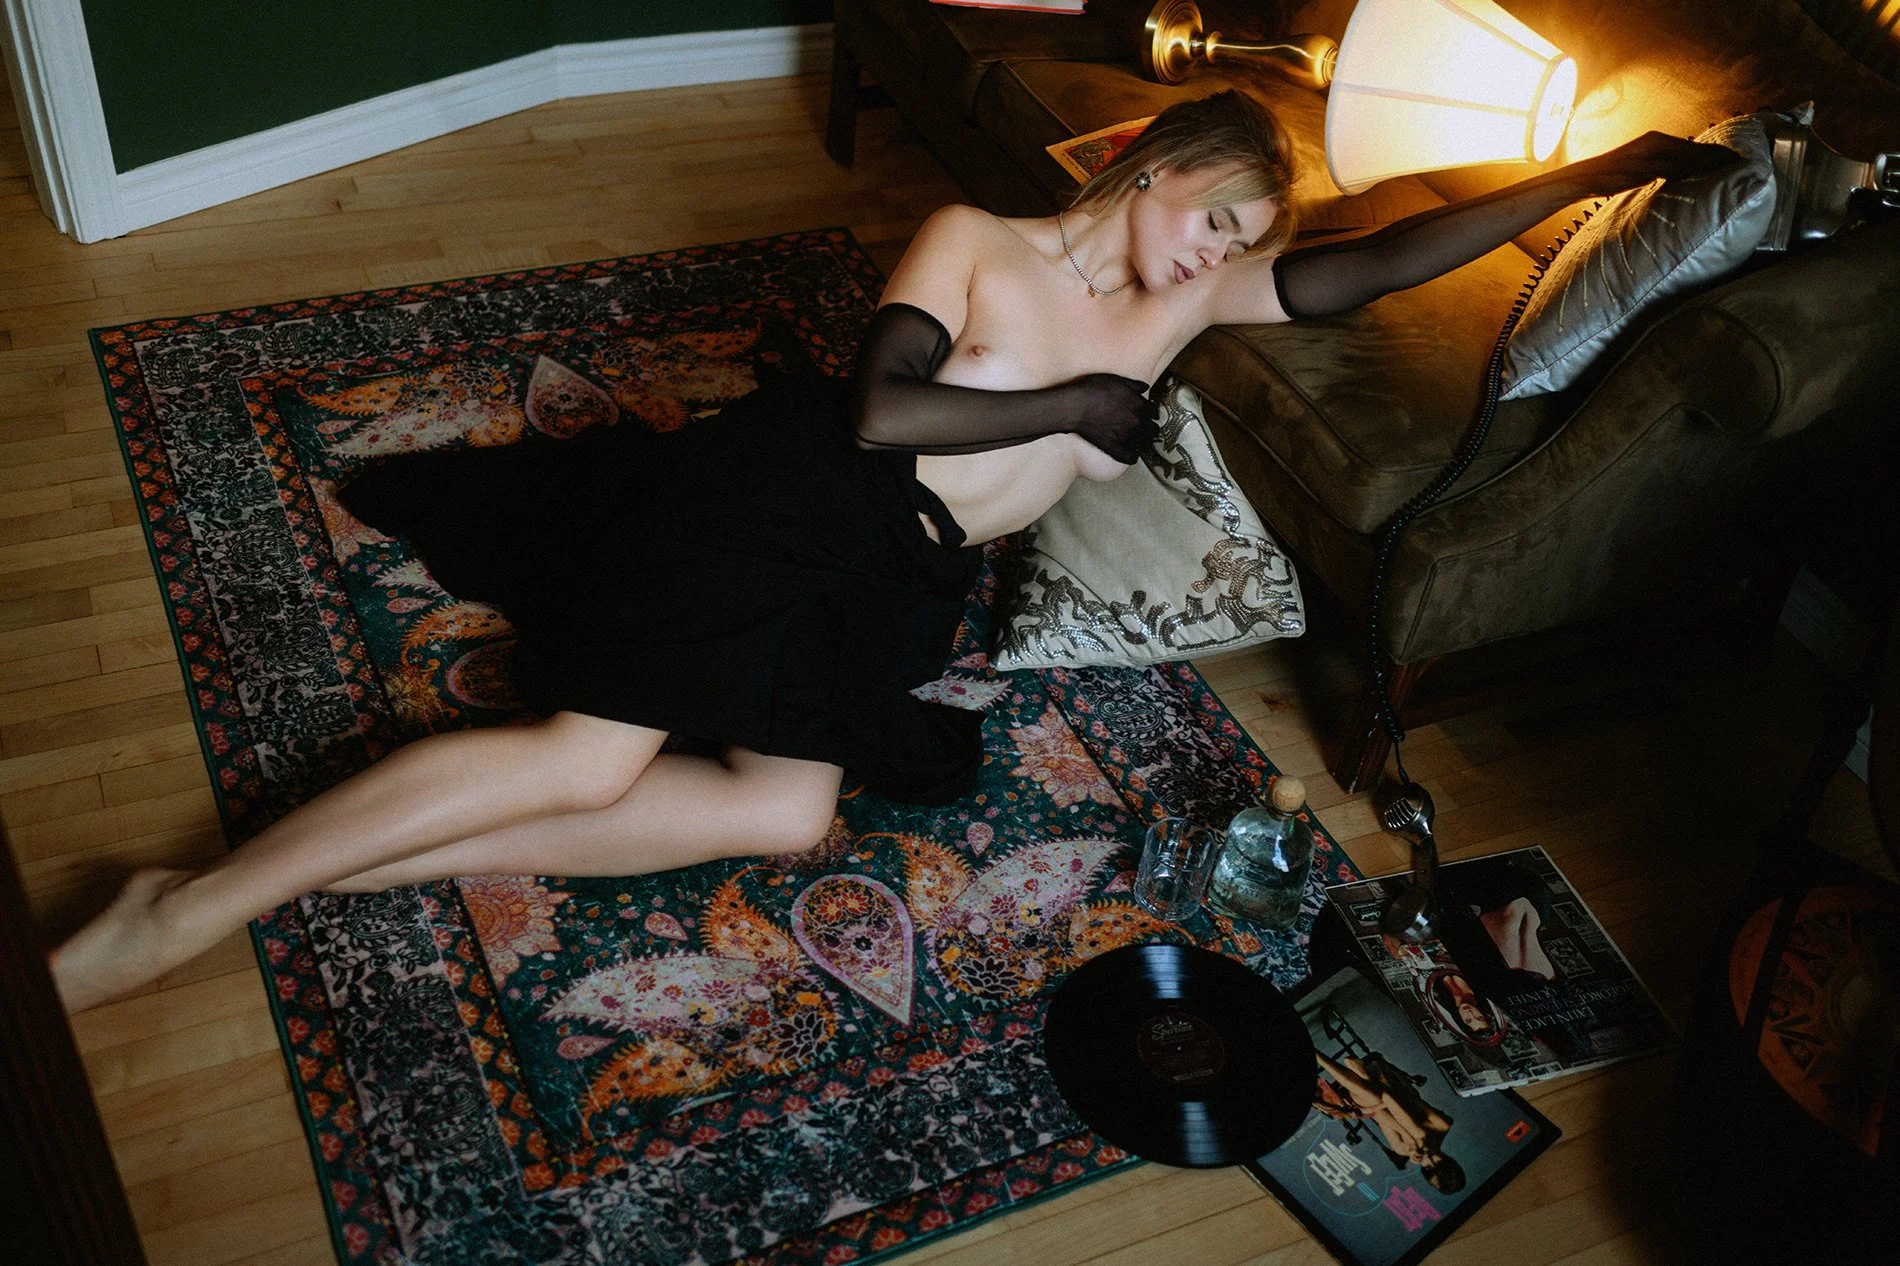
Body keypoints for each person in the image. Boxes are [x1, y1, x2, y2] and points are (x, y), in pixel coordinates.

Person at [48, 91, 1736, 1013]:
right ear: (1158, 167)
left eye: (1242, 244)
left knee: (782, 811)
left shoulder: (1186, 301)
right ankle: (187, 910)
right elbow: (878, 413)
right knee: (591, 747)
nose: (1219, 254)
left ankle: (307, 869)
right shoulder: (980, 242)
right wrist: (1074, 394)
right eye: (1212, 213)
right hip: (796, 497)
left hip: (895, 574)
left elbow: (1377, 264)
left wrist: (1602, 169)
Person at [1314, 1049, 1465, 1194]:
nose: (1429, 1159)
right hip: (1388, 1083)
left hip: (1366, 1102)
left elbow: (1379, 1114)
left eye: (1428, 1169)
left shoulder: (1402, 1149)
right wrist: (1417, 1133)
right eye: (1438, 1163)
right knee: (1376, 1097)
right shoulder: (1441, 1125)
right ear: (1448, 1159)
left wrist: (1410, 1138)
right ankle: (1318, 1056)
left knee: (1374, 1098)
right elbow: (1405, 1097)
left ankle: (1317, 1055)